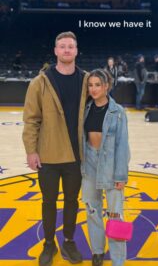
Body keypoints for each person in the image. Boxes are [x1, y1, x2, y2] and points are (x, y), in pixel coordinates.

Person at [22, 31, 88, 266]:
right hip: (48, 155)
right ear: (55, 51)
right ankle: (49, 244)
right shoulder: (39, 83)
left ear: (77, 50)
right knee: (48, 201)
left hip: (76, 156)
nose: (67, 50)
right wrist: (31, 150)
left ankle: (69, 241)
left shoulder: (87, 80)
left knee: (72, 201)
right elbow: (31, 120)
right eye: (63, 46)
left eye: (71, 46)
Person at [81, 69, 130, 266]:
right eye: (90, 85)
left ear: (106, 86)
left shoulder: (117, 112)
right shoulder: (85, 108)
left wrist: (121, 175)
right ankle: (98, 252)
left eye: (97, 85)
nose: (93, 89)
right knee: (92, 210)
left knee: (115, 214)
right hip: (90, 163)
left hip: (110, 166)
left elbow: (122, 145)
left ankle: (118, 259)